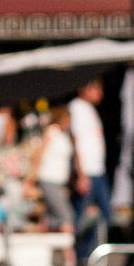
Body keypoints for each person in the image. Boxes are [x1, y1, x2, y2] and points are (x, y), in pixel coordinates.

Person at [69, 80, 109, 254]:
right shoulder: (76, 108)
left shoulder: (90, 110)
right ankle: (78, 253)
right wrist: (80, 173)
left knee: (106, 212)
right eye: (96, 88)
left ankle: (86, 252)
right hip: (87, 171)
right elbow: (75, 141)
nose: (100, 93)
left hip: (97, 170)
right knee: (79, 216)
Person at [36, 106, 75, 234]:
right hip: (48, 179)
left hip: (59, 182)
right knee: (66, 216)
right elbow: (40, 154)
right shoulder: (51, 132)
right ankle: (70, 253)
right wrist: (32, 176)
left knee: (49, 216)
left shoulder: (64, 135)